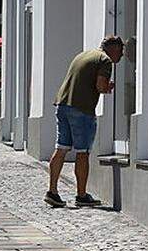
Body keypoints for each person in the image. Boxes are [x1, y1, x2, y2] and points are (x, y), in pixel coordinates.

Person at [46, 36, 125, 208]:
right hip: (81, 109)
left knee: (61, 148)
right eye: (121, 51)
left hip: (62, 105)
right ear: (114, 49)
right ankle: (81, 195)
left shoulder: (84, 55)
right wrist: (108, 87)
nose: (122, 56)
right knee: (83, 152)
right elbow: (100, 86)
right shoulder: (105, 60)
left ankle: (52, 191)